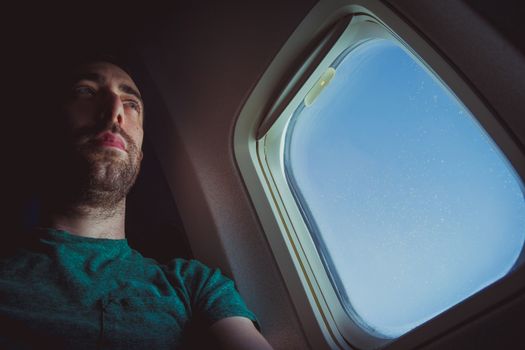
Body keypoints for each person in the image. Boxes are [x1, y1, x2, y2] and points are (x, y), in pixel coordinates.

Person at [0, 59, 273, 349]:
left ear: (139, 158)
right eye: (86, 91)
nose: (115, 110)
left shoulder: (194, 285)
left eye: (131, 103)